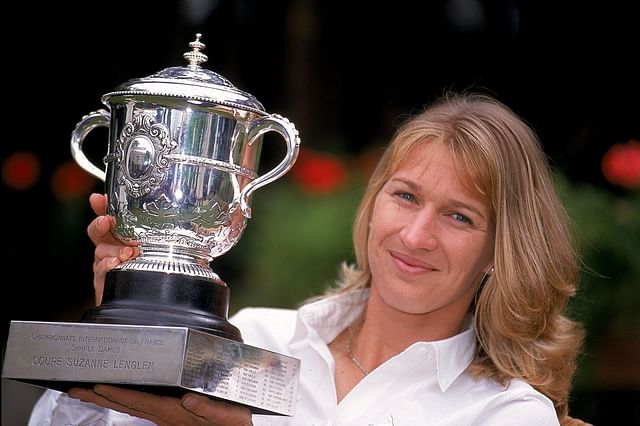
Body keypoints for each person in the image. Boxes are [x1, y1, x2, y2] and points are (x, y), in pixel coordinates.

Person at [29, 91, 590, 426]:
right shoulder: (249, 343)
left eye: (460, 216)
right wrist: (123, 331)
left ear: (500, 250)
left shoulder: (505, 414)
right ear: (373, 205)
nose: (417, 235)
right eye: (406, 196)